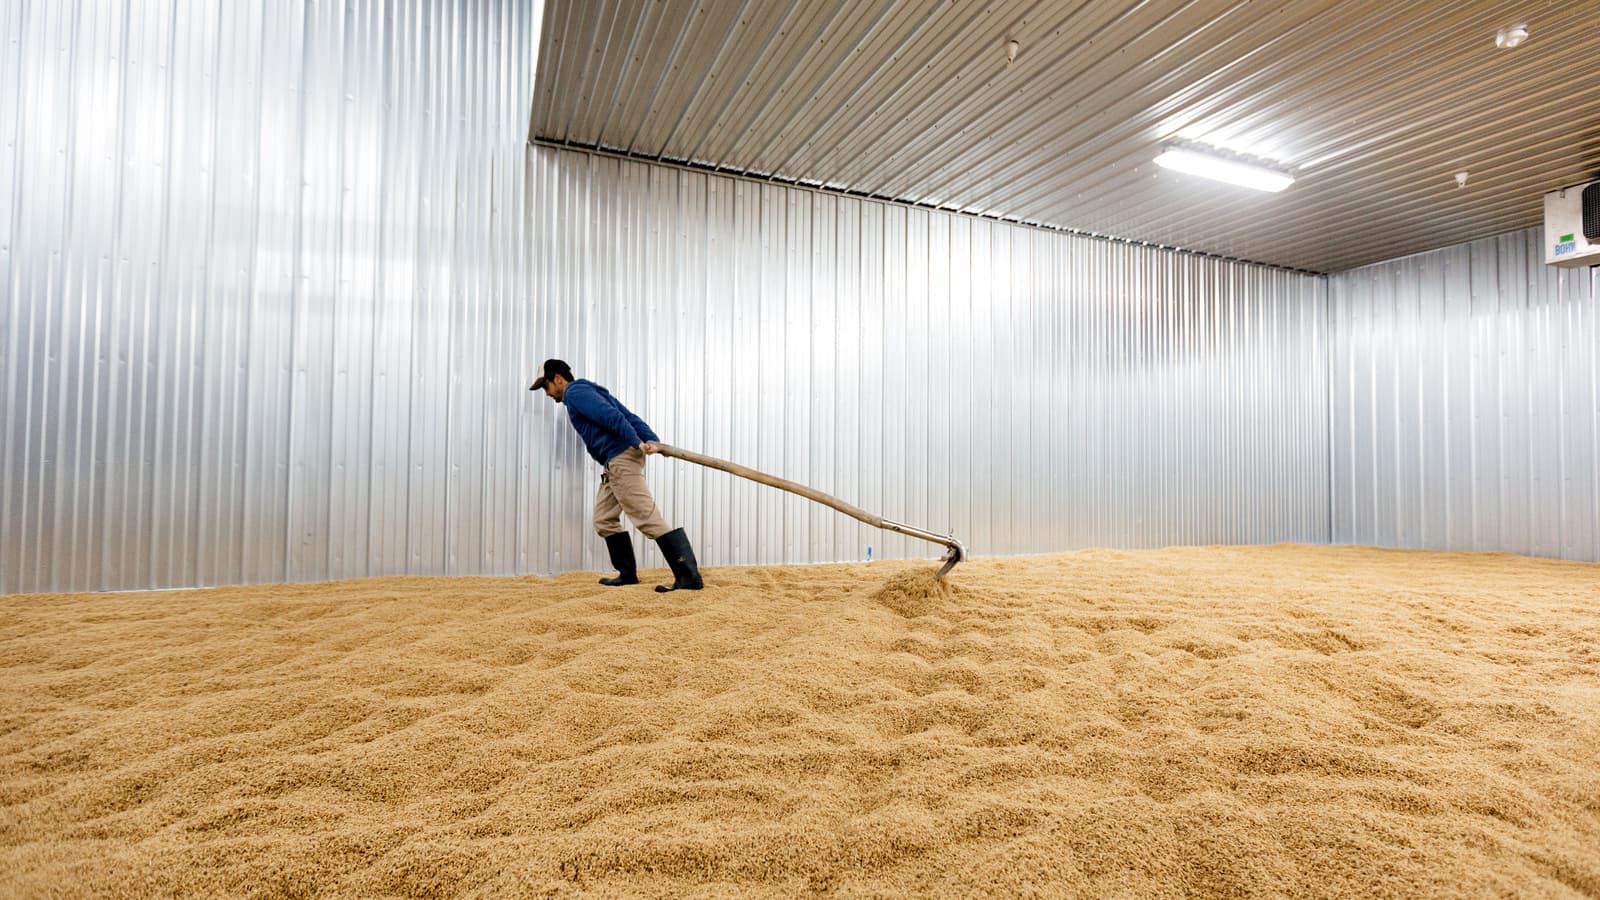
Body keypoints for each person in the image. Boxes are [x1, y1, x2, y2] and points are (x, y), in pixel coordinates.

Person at [530, 359, 703, 592]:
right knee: (604, 519)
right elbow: (628, 415)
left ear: (558, 379)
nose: (547, 393)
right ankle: (627, 574)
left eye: (546, 386)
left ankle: (688, 577)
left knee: (647, 518)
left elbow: (612, 417)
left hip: (620, 459)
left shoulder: (575, 393)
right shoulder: (588, 390)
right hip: (614, 462)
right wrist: (652, 441)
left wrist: (637, 442)